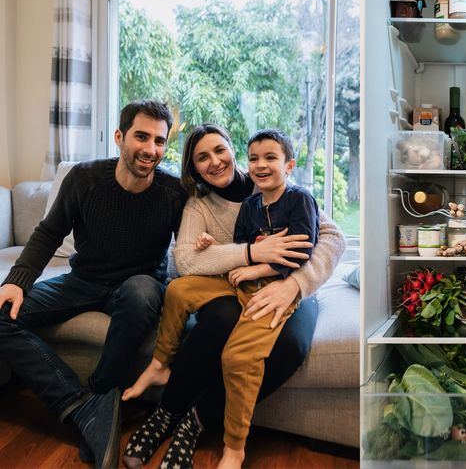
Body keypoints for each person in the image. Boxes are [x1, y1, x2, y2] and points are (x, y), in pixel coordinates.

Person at [122, 123, 345, 469]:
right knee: (215, 316)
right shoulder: (202, 204)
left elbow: (331, 237)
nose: (214, 162)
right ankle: (167, 407)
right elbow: (189, 261)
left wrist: (294, 285)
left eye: (220, 150)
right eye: (202, 157)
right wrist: (243, 255)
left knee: (286, 347)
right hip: (237, 281)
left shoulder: (278, 188)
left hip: (295, 281)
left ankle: (199, 420)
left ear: (232, 151)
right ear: (193, 167)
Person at [0, 100, 187, 469]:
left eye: (160, 141)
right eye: (141, 136)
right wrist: (16, 282)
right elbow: (48, 233)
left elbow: (194, 244)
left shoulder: (173, 192)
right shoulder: (84, 178)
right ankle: (80, 405)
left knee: (141, 291)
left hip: (140, 284)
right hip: (83, 281)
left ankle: (102, 390)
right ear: (120, 137)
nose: (151, 149)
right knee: (1, 314)